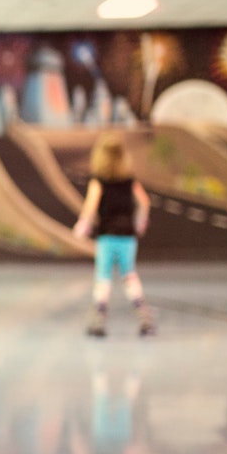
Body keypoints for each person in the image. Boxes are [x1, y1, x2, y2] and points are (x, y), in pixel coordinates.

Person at [73, 134, 154, 338]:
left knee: (103, 277)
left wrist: (83, 226)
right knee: (129, 275)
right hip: (127, 236)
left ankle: (98, 321)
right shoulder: (129, 181)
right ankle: (144, 319)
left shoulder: (98, 182)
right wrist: (139, 223)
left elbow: (90, 209)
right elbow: (144, 203)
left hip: (107, 236)